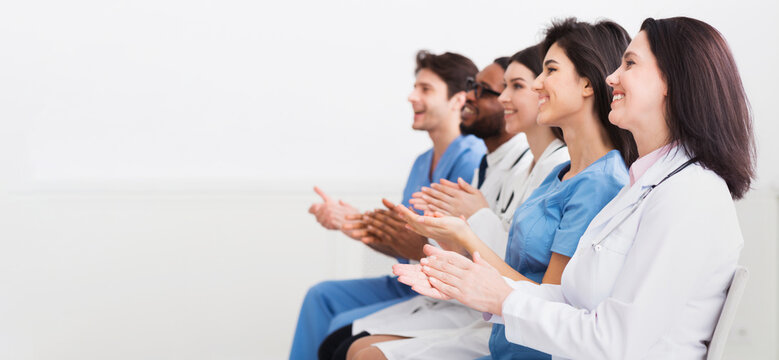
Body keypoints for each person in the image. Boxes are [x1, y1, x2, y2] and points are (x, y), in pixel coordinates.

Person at [397, 16, 755, 360]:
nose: (611, 77)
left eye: (629, 64)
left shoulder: (690, 196)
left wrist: (500, 297)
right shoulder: (644, 185)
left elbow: (616, 340)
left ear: (672, 81)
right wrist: (474, 285)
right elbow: (574, 303)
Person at [374, 18, 638, 360]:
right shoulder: (560, 172)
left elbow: (552, 301)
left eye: (550, 71)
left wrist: (466, 239)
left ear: (587, 84)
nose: (538, 84)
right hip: (505, 340)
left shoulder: (601, 183)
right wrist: (453, 238)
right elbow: (514, 266)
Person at [329, 45, 572, 360]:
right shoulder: (507, 166)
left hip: (498, 314)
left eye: (515, 87)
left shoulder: (557, 170)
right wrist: (405, 232)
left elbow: (523, 268)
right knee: (343, 342)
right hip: (472, 303)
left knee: (353, 350)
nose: (500, 99)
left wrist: (453, 230)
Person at [290, 50, 486, 360]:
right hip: (405, 280)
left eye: (425, 89)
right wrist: (354, 223)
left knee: (341, 326)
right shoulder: (422, 162)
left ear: (458, 100)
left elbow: (454, 248)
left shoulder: (473, 159)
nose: (412, 97)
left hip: (440, 294)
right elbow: (403, 241)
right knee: (321, 296)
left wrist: (377, 229)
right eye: (415, 87)